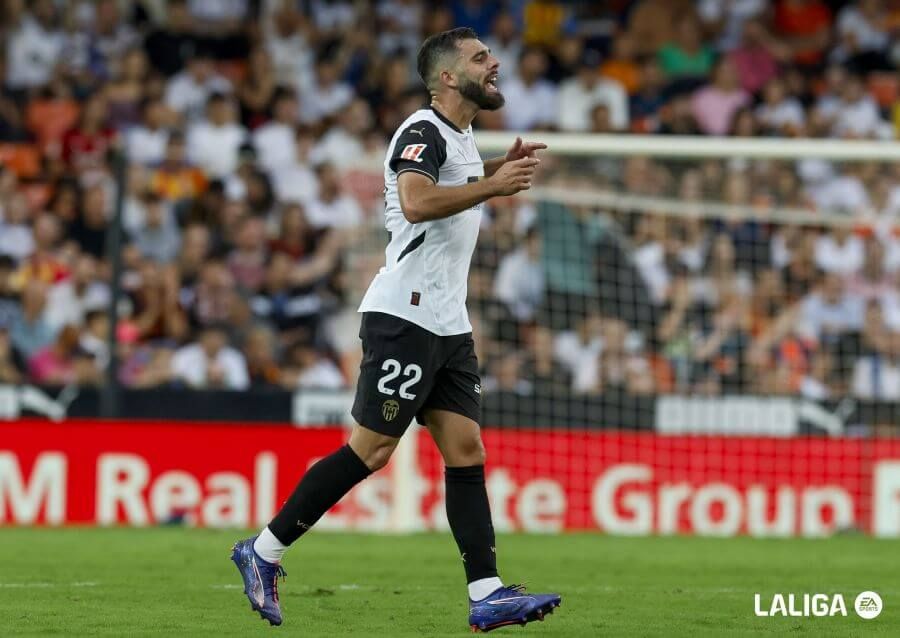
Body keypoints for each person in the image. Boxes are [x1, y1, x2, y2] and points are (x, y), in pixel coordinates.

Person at [230, 27, 561, 631]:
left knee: (466, 449)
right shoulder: (421, 130)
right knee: (373, 450)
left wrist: (494, 166)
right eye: (480, 58)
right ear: (446, 77)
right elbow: (414, 201)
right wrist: (492, 185)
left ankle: (486, 592)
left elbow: (450, 183)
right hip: (405, 314)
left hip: (447, 321)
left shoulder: (458, 137)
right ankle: (263, 550)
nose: (494, 65)